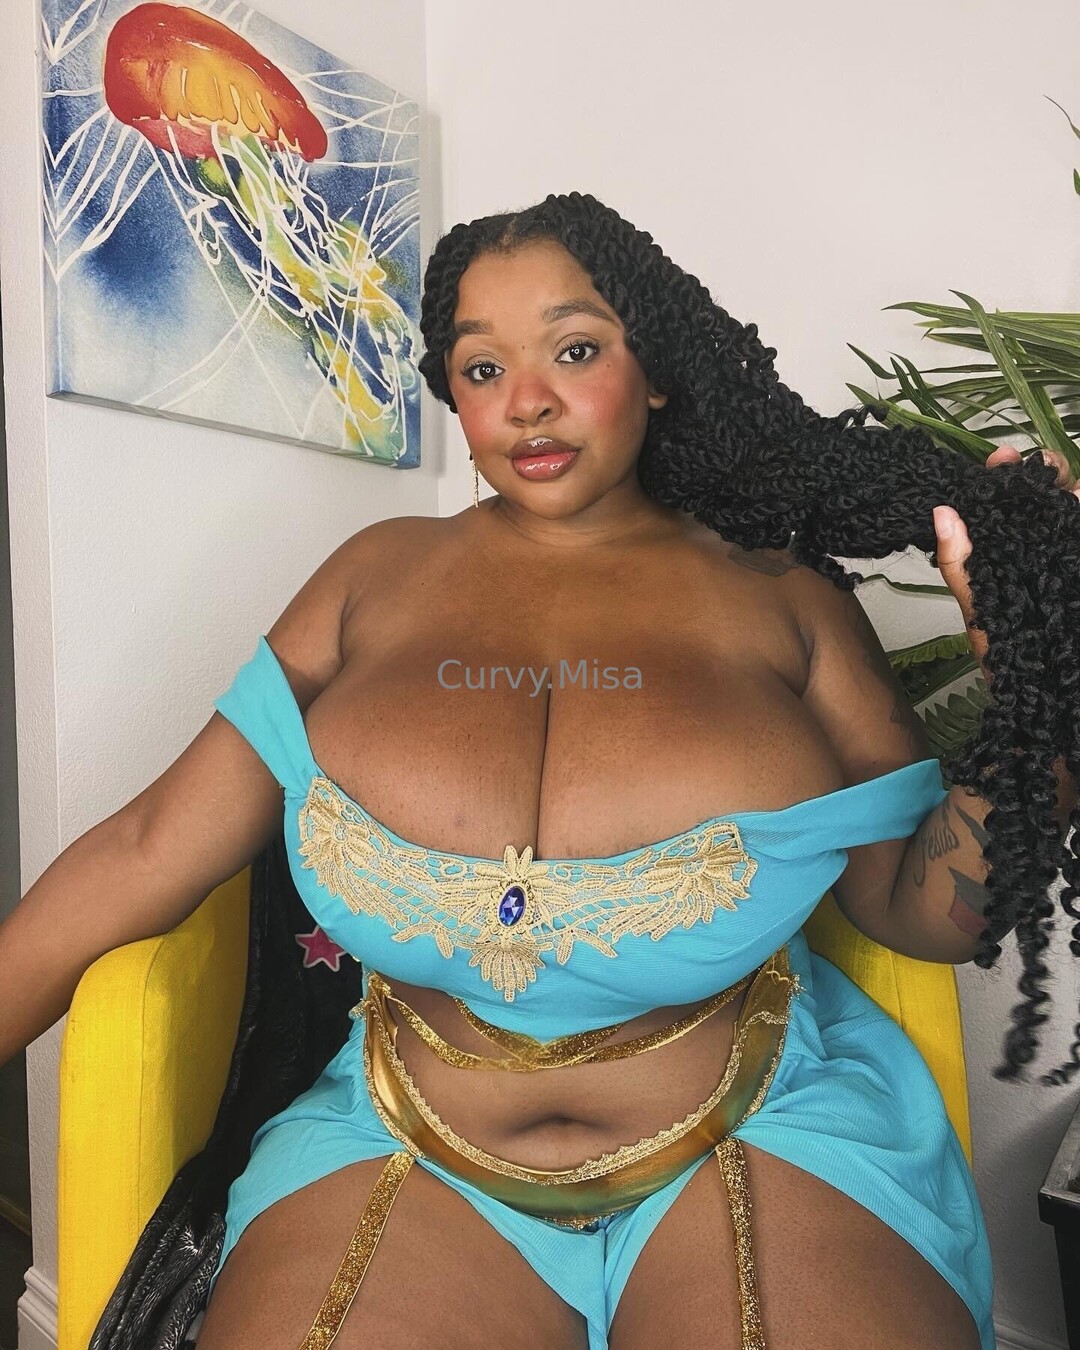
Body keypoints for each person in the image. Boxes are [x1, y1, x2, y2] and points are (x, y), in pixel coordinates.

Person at [4, 191, 1080, 1350]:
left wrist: (1043, 695)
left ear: (655, 370)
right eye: (483, 368)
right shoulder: (369, 580)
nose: (527, 401)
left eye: (575, 350)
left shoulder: (790, 602)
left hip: (760, 1133)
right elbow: (147, 848)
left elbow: (923, 913)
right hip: (404, 1145)